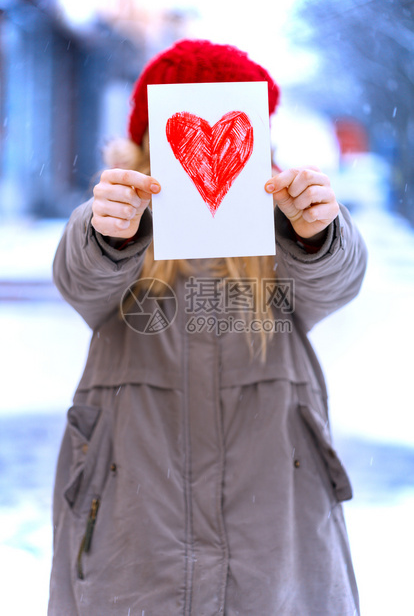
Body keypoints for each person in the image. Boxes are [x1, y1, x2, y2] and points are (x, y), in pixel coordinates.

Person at [48, 39, 367, 615]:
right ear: (149, 138)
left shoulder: (285, 221)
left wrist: (319, 236)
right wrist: (107, 237)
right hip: (135, 527)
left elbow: (336, 284)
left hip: (275, 525)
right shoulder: (115, 218)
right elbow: (79, 280)